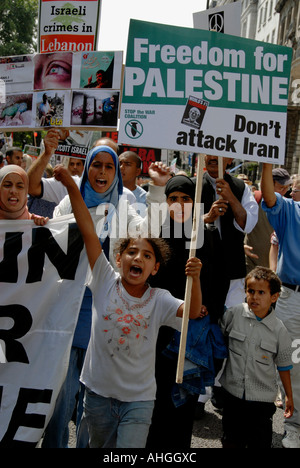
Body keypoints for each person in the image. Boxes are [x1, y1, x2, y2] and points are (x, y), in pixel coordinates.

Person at [52, 164, 203, 448]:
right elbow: (87, 230)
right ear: (118, 258)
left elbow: (192, 313)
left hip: (139, 400)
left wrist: (194, 280)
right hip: (98, 396)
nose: (138, 258)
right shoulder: (104, 279)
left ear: (155, 268)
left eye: (147, 256)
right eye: (131, 252)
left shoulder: (159, 299)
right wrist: (73, 188)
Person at [40, 144, 170, 448]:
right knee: (61, 395)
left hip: (106, 312)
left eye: (108, 166)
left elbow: (147, 233)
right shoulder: (69, 203)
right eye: (96, 165)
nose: (101, 172)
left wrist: (158, 190)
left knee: (94, 402)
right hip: (66, 310)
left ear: (115, 171)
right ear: (87, 168)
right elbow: (47, 243)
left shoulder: (125, 205)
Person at [146, 175, 227, 448]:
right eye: (173, 199)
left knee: (184, 397)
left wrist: (207, 306)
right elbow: (152, 281)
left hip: (194, 330)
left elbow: (220, 280)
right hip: (163, 330)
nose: (179, 204)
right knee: (156, 397)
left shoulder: (209, 235)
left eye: (186, 199)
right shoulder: (159, 236)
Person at [198, 154, 258, 409]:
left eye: (220, 157)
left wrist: (231, 198)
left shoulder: (242, 188)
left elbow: (247, 223)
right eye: (209, 157)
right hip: (201, 271)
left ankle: (221, 386)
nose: (214, 160)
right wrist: (206, 219)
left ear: (231, 158)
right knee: (201, 326)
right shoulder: (190, 185)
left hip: (232, 274)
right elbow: (175, 225)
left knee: (230, 330)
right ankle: (199, 391)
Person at [220, 266, 294, 448]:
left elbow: (284, 366)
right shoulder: (233, 314)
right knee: (231, 440)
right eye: (251, 291)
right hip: (232, 396)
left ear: (274, 297)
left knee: (259, 442)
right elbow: (219, 339)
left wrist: (289, 396)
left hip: (261, 402)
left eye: (261, 292)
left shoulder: (279, 330)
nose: (255, 296)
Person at [261, 163, 300, 448]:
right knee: (293, 363)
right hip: (293, 299)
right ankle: (294, 425)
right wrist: (265, 163)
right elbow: (269, 198)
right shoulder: (291, 212)